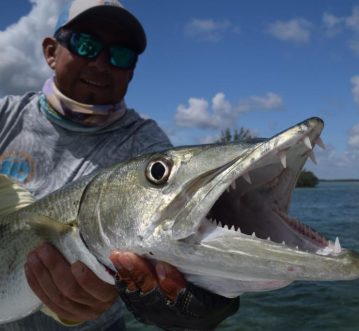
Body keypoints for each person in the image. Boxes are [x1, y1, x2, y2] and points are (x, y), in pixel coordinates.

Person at [0, 0, 239, 330]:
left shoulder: (145, 145)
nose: (101, 63)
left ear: (132, 71)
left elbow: (180, 226)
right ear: (51, 52)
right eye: (86, 45)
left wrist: (202, 292)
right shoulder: (5, 116)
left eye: (121, 54)